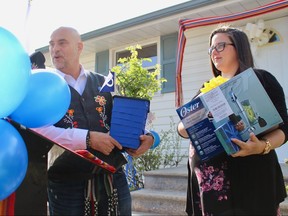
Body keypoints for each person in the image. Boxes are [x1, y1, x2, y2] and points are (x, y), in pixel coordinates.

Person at [33, 26, 155, 216]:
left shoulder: (105, 81)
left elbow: (125, 119)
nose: (55, 49)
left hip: (114, 178)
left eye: (62, 43)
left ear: (79, 47)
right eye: (51, 44)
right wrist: (87, 139)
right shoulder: (43, 86)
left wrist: (147, 137)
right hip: (66, 185)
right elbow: (39, 130)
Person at [177, 24, 288, 216]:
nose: (214, 52)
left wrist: (262, 146)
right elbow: (182, 128)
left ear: (239, 48)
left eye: (220, 46)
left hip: (252, 177)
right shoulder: (207, 88)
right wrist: (197, 117)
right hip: (211, 186)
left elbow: (285, 129)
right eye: (211, 48)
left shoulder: (262, 79)